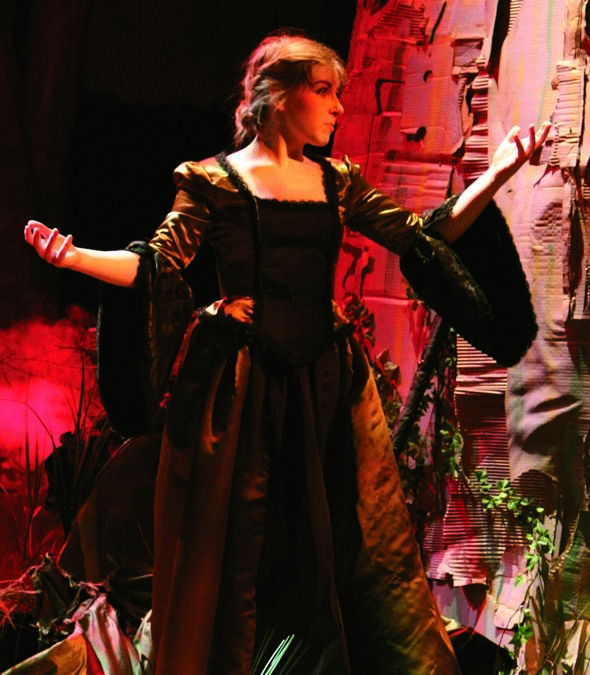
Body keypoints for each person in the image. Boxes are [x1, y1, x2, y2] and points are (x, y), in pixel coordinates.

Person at [25, 31, 550, 675]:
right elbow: (160, 264)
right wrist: (74, 257)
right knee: (235, 540)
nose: (337, 108)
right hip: (239, 384)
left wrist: (496, 174)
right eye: (323, 91)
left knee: (355, 531)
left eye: (339, 94)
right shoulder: (214, 181)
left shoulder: (336, 180)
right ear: (278, 97)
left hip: (327, 381)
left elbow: (422, 238)